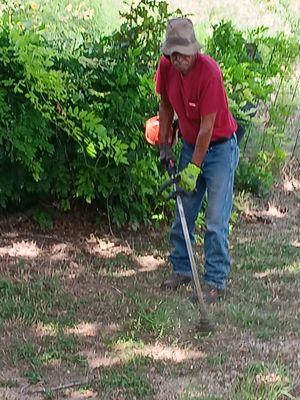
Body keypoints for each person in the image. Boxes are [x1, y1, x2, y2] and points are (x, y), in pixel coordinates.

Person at [155, 17, 239, 303]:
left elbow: (207, 127)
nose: (180, 59)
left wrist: (193, 168)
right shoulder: (166, 68)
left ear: (194, 51)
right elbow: (165, 105)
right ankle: (181, 269)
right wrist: (165, 144)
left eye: (185, 54)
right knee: (184, 210)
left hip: (219, 149)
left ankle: (215, 280)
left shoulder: (209, 73)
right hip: (190, 144)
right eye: (175, 54)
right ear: (169, 54)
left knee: (215, 219)